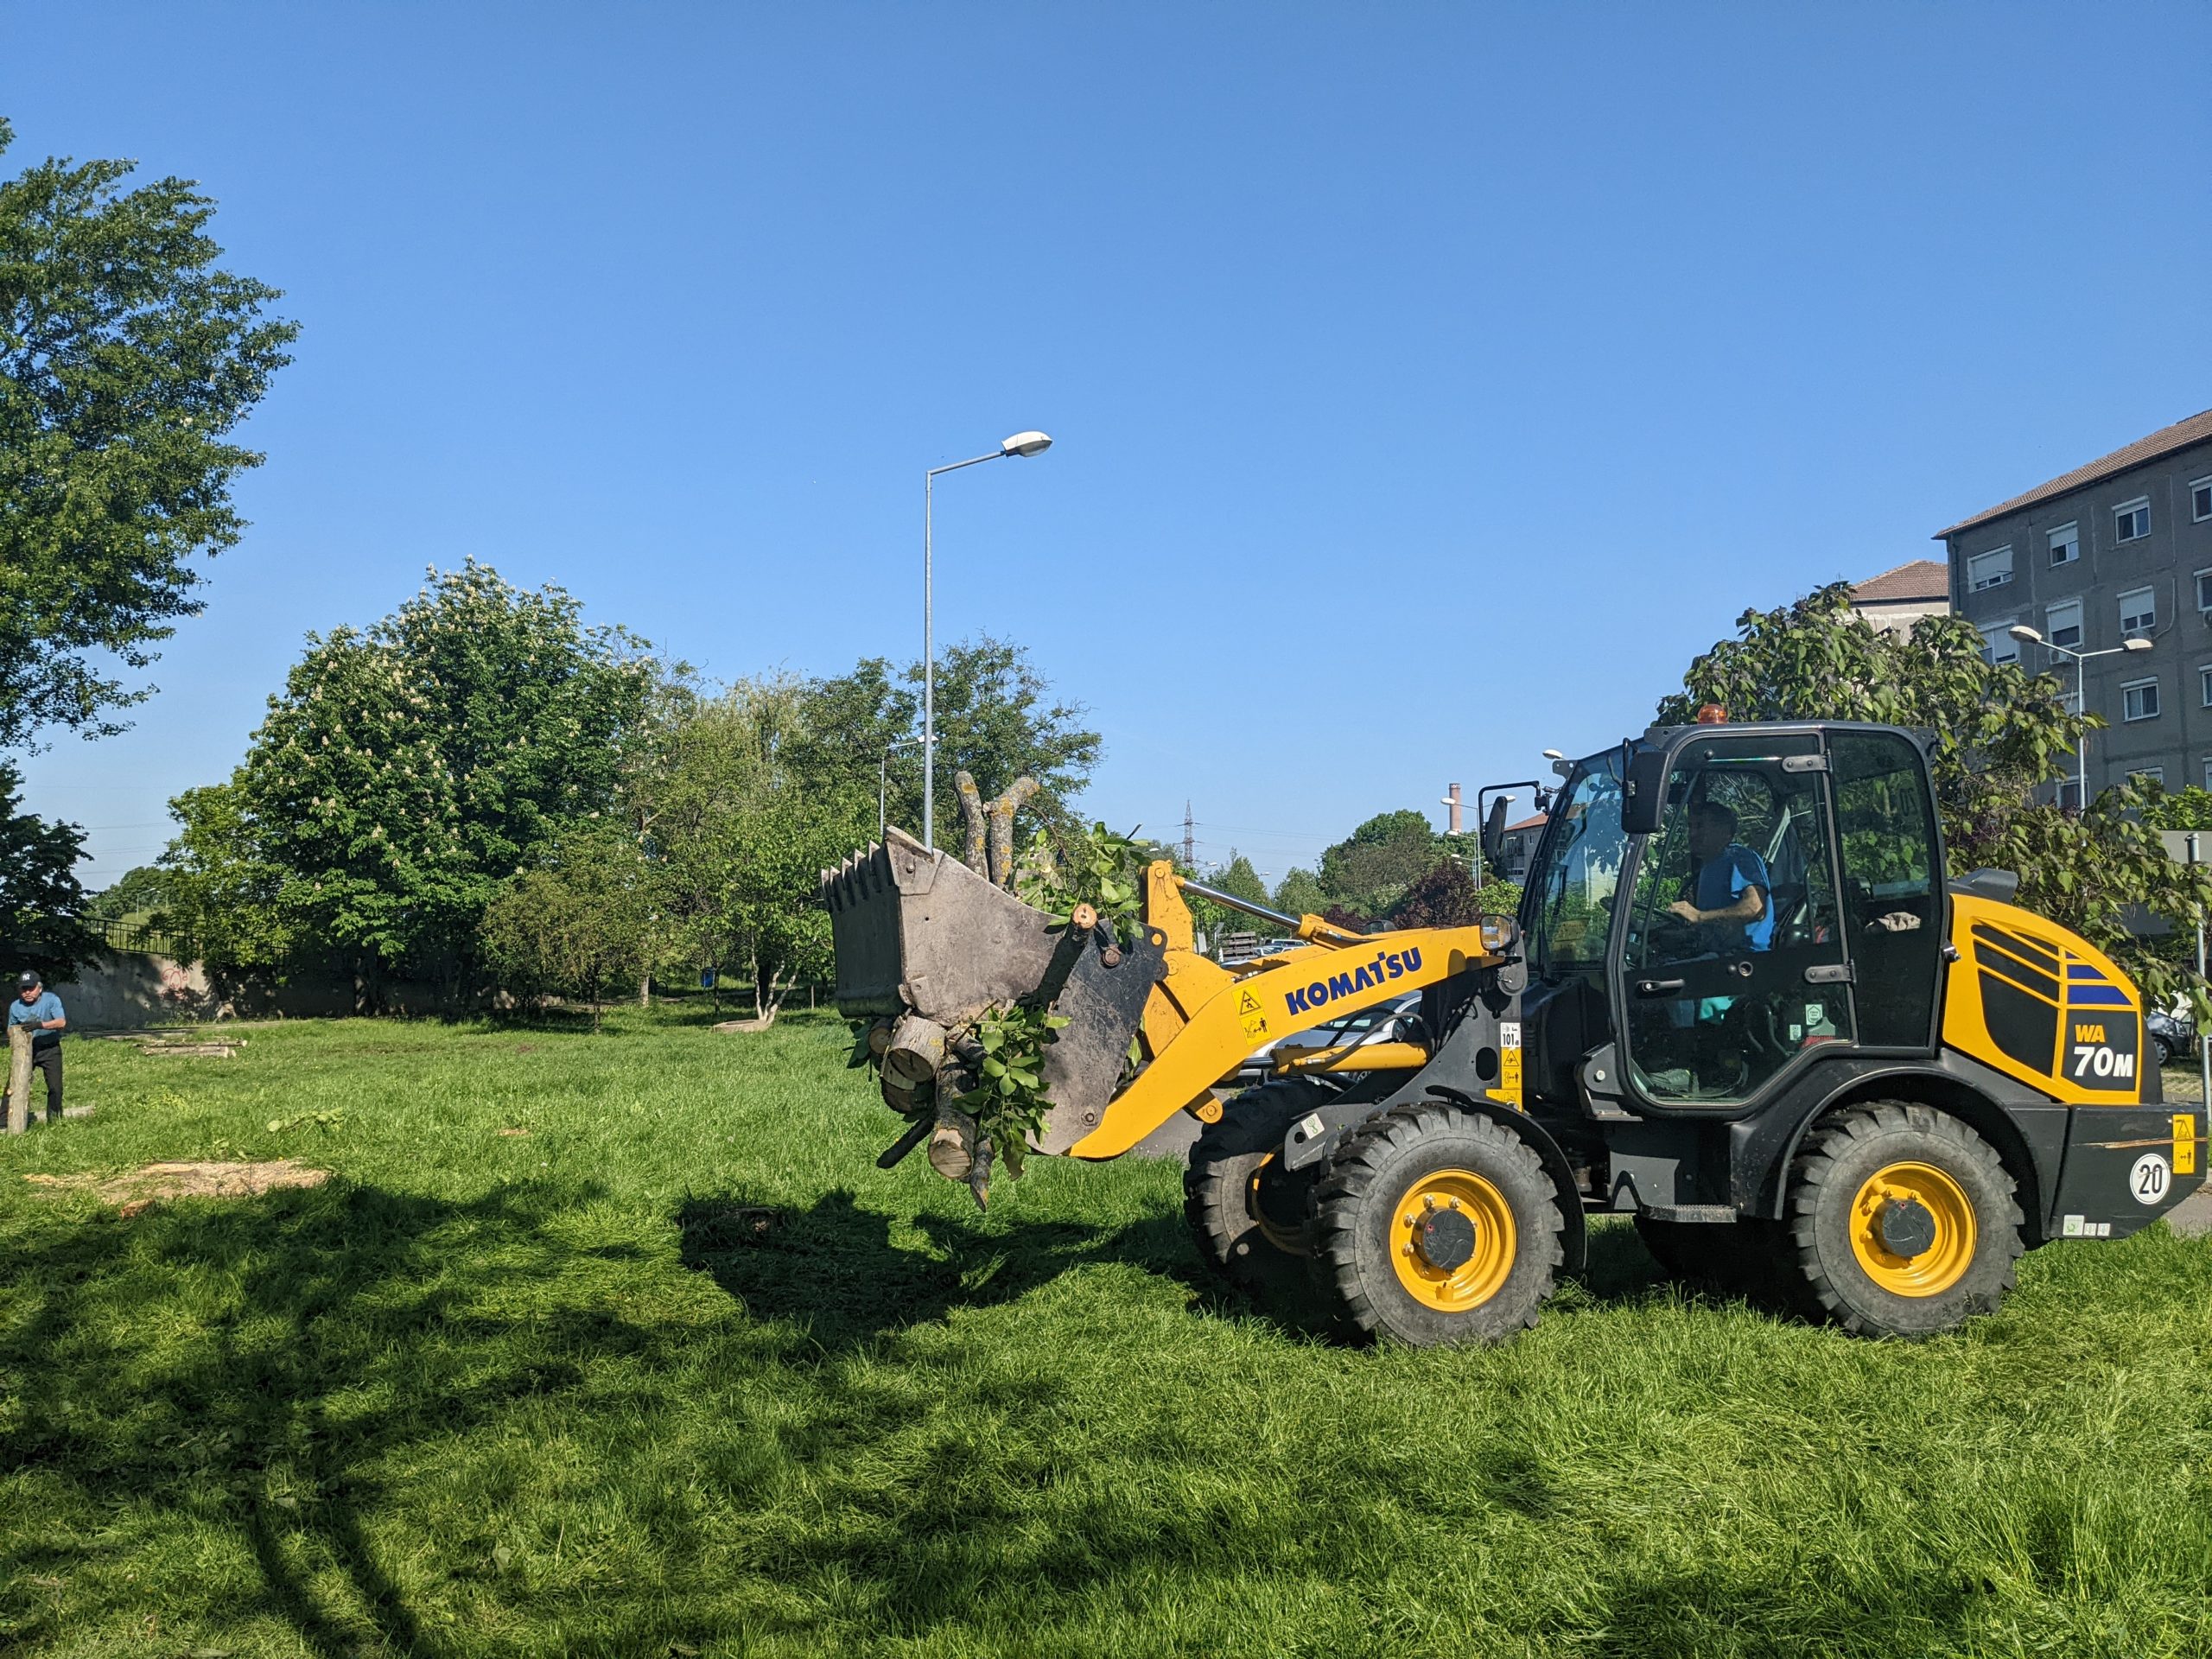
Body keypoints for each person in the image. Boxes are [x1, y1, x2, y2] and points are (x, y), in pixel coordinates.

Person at [1666, 799, 1771, 956]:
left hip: (1743, 957)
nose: (1692, 834)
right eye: (1691, 827)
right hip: (1716, 955)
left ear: (1725, 831)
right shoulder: (1708, 867)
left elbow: (1755, 908)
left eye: (1701, 826)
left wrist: (1699, 916)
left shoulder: (1739, 857)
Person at [5, 970, 67, 1126]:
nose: (27, 992)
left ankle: (54, 1121)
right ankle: (4, 1121)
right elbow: (10, 1029)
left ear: (39, 988)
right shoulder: (15, 1006)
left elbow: (61, 1022)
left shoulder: (51, 1000)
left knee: (55, 1087)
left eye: (30, 988)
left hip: (49, 1048)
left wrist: (40, 1025)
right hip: (26, 1049)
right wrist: (18, 1032)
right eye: (23, 989)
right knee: (13, 1085)